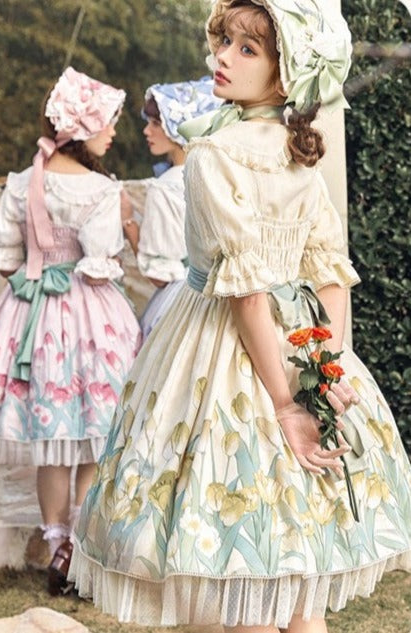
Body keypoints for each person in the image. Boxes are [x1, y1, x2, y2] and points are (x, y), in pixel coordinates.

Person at [69, 1, 411, 631]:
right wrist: (326, 372)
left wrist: (287, 404)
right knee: (297, 573)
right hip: (300, 343)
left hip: (224, 355)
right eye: (224, 41)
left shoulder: (213, 153)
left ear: (286, 73)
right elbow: (330, 277)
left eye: (247, 49)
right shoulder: (296, 150)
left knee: (240, 575)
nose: (221, 57)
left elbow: (249, 294)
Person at [0, 67, 141, 595]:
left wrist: (36, 274)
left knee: (52, 440)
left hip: (31, 313)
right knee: (93, 435)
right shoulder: (100, 189)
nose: (112, 132)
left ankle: (57, 546)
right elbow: (100, 260)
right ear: (83, 127)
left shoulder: (25, 180)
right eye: (106, 123)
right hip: (89, 317)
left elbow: (5, 254)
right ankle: (81, 549)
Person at [122, 77, 222, 340]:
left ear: (181, 127)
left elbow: (159, 275)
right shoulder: (219, 178)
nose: (147, 131)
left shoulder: (166, 188)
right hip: (221, 299)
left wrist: (129, 225)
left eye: (156, 123)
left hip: (181, 301)